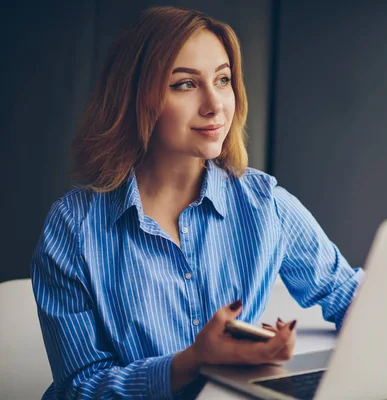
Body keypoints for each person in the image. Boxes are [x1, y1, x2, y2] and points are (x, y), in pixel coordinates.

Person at [31, 6, 363, 400]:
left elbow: (352, 298)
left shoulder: (266, 205)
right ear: (136, 97)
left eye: (222, 80)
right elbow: (78, 390)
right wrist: (191, 361)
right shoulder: (72, 227)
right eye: (185, 85)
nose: (215, 104)